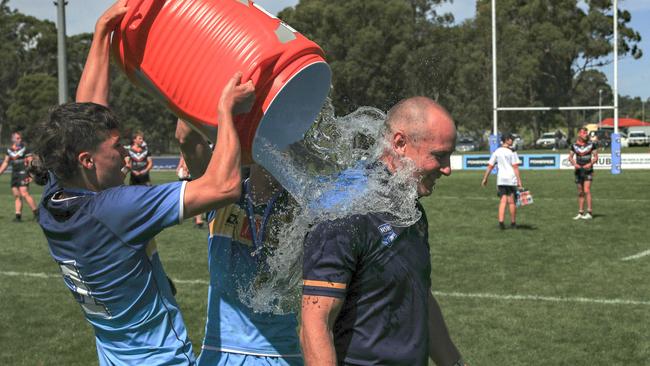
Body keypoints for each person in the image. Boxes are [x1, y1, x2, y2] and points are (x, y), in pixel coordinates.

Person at [29, 1, 254, 364]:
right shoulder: (116, 209)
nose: (123, 156)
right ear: (87, 161)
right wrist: (225, 112)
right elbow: (223, 187)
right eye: (116, 148)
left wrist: (102, 31)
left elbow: (88, 116)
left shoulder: (57, 193)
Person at [301, 97, 465, 366]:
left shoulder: (412, 211)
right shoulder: (345, 211)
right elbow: (315, 323)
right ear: (400, 144)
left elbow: (419, 297)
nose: (447, 169)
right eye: (439, 155)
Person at [175, 119, 303, 366]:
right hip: (222, 349)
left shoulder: (302, 210)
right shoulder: (223, 195)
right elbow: (185, 136)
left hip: (280, 352)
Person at [480, 133, 523, 230]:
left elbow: (490, 165)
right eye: (511, 139)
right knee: (512, 202)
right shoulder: (512, 152)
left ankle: (501, 223)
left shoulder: (497, 151)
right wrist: (519, 182)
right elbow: (515, 167)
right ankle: (513, 223)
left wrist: (485, 178)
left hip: (501, 179)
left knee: (503, 201)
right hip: (511, 179)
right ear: (506, 140)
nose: (512, 141)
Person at [0, 131, 39, 221]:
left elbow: (30, 161)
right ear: (12, 139)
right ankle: (18, 216)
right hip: (15, 174)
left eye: (20, 138)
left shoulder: (25, 149)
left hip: (23, 173)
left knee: (24, 193)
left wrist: (31, 175)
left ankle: (37, 213)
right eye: (17, 138)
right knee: (16, 195)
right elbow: (5, 163)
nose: (19, 140)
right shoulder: (9, 150)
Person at [568, 127, 598, 220]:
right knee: (580, 192)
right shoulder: (574, 145)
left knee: (586, 190)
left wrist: (590, 164)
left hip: (588, 170)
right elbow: (570, 157)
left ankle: (589, 212)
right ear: (579, 134)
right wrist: (574, 164)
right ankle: (580, 213)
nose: (586, 134)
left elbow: (596, 157)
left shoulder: (591, 145)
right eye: (583, 133)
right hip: (578, 171)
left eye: (586, 133)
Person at [176, 155, 205, 228]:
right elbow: (183, 157)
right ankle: (197, 218)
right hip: (190, 173)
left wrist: (184, 168)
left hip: (189, 173)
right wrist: (180, 167)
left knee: (191, 196)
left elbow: (184, 157)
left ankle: (197, 218)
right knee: (194, 196)